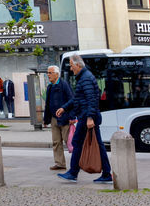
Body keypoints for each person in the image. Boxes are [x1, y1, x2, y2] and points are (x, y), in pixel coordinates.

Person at [55, 54, 112, 184]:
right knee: (95, 145)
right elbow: (78, 98)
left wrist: (90, 117)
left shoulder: (85, 78)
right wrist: (64, 108)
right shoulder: (84, 77)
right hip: (87, 116)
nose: (70, 68)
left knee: (78, 142)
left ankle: (73, 172)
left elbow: (92, 99)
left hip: (87, 117)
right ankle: (105, 173)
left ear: (78, 65)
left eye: (71, 65)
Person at [43, 65, 74, 171]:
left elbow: (72, 100)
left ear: (56, 74)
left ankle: (77, 162)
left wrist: (71, 116)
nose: (48, 75)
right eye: (48, 73)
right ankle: (60, 163)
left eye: (50, 73)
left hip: (65, 118)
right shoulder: (50, 87)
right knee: (56, 142)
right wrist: (46, 119)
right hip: (53, 118)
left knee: (68, 141)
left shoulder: (64, 84)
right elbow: (47, 104)